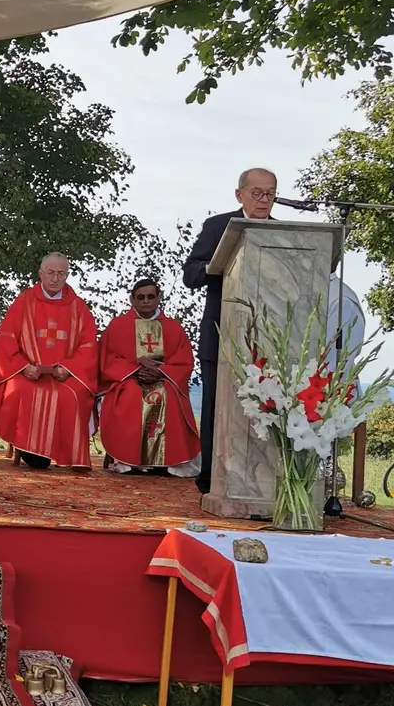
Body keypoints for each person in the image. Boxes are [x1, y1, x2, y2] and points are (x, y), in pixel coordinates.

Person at [181, 167, 276, 494]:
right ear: (239, 195)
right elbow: (191, 275)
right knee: (215, 411)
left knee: (266, 411)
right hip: (222, 334)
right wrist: (217, 263)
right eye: (257, 193)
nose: (264, 200)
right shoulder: (219, 226)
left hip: (269, 342)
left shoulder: (287, 236)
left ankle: (262, 481)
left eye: (270, 194)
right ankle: (211, 481)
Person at [0, 253, 99, 470]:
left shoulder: (78, 307)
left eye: (61, 274)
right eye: (51, 273)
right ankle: (32, 452)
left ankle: (70, 454)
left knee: (72, 395)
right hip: (28, 372)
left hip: (64, 376)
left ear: (67, 275)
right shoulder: (25, 301)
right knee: (20, 391)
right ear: (41, 274)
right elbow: (6, 338)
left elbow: (89, 345)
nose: (55, 279)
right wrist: (23, 367)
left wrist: (68, 368)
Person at [98, 278, 201, 476]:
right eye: (141, 297)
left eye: (151, 296)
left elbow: (184, 361)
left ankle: (167, 463)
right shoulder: (117, 326)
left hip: (164, 379)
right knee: (131, 395)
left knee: (168, 394)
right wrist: (134, 371)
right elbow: (107, 359)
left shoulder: (173, 328)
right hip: (127, 380)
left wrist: (160, 371)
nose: (146, 301)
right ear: (132, 300)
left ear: (159, 298)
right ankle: (129, 462)